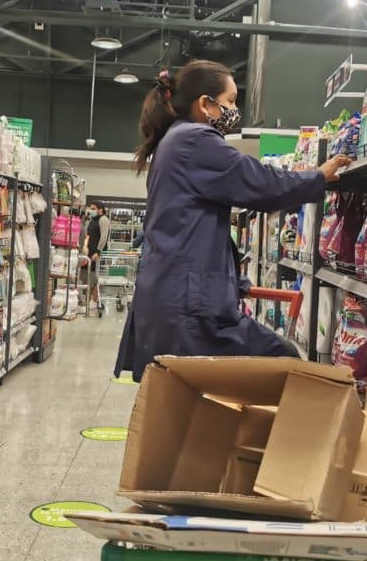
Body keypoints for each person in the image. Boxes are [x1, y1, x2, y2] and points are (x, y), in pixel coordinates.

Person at [113, 61, 352, 381]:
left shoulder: (174, 141)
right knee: (285, 360)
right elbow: (260, 182)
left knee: (185, 404)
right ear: (204, 104)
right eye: (230, 100)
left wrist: (235, 283)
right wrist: (317, 177)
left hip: (176, 295)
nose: (234, 109)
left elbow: (192, 230)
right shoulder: (195, 140)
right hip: (188, 306)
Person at [80, 201, 111, 313]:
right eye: (90, 208)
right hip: (88, 252)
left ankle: (94, 301)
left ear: (100, 210)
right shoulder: (93, 220)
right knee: (86, 276)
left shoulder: (103, 219)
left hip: (95, 253)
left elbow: (104, 236)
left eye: (93, 208)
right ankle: (87, 301)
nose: (91, 210)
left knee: (93, 277)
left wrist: (98, 251)